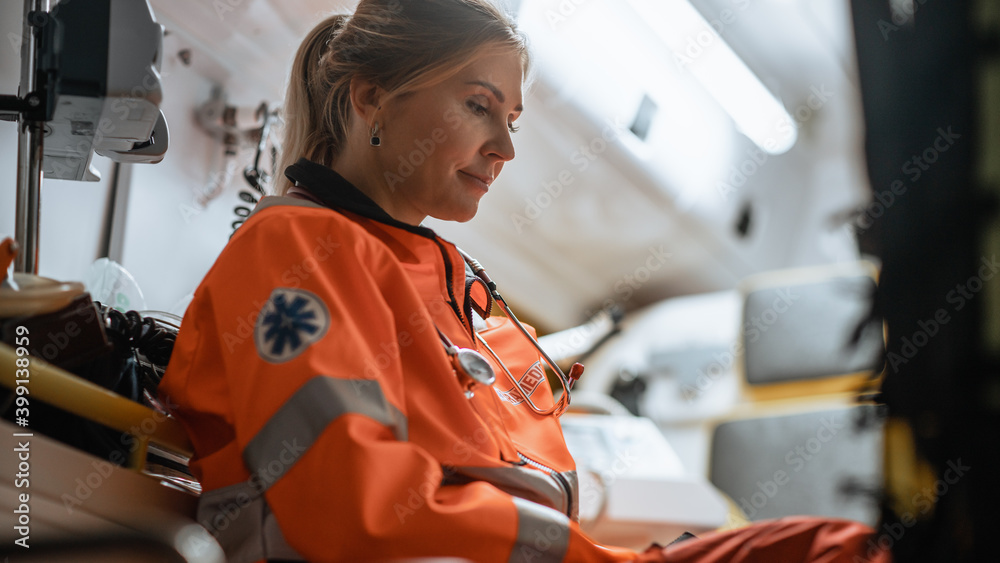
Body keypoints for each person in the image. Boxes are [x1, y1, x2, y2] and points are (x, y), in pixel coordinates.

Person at [159, 1, 891, 562]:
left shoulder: (449, 281)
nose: (506, 146)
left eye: (510, 117)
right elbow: (350, 506)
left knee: (843, 545)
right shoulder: (299, 246)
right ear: (370, 96)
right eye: (479, 105)